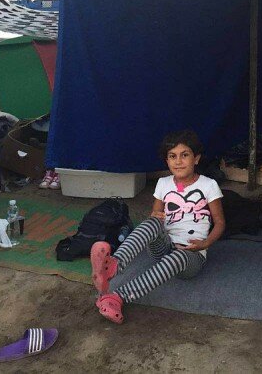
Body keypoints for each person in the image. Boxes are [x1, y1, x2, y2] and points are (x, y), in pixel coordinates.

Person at [89, 130, 225, 324]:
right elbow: (156, 217)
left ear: (196, 159)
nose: (178, 161)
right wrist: (153, 218)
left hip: (191, 255)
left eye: (184, 155)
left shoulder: (209, 185)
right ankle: (113, 265)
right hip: (164, 246)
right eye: (172, 156)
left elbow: (220, 222)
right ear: (167, 161)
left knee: (176, 257)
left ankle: (117, 297)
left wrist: (206, 243)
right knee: (152, 221)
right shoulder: (163, 183)